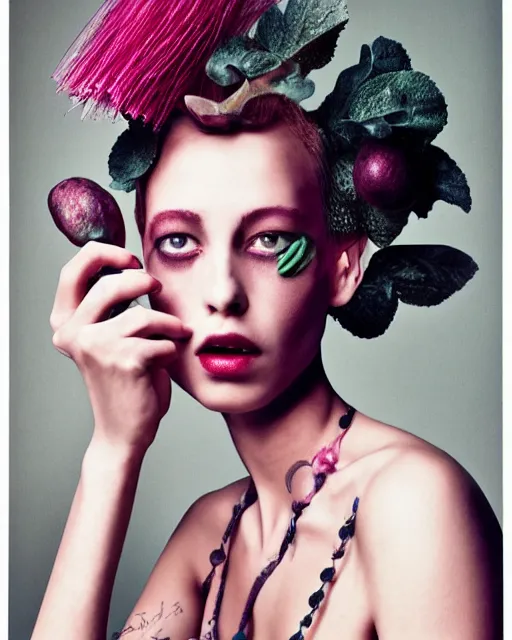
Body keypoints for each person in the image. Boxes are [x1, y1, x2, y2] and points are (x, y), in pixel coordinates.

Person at [33, 0, 502, 638]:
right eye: (179, 242)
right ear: (136, 268)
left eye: (270, 240)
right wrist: (114, 447)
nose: (222, 292)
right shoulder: (210, 537)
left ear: (342, 265)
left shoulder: (414, 501)